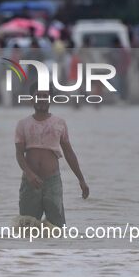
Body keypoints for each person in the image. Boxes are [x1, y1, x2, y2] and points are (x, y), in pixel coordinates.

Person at [14, 85, 89, 227]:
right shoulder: (23, 124)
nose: (42, 99)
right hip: (30, 182)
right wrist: (29, 174)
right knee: (27, 226)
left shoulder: (59, 123)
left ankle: (52, 250)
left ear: (50, 99)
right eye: (38, 95)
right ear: (32, 99)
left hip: (52, 182)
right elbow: (19, 154)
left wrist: (81, 180)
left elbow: (69, 153)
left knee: (57, 228)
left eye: (45, 95)